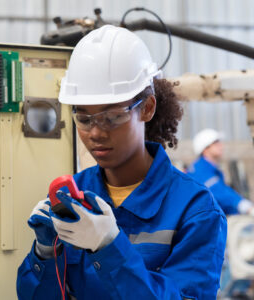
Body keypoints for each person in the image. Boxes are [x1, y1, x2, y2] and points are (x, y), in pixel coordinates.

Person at [17, 25, 226, 299]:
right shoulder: (73, 195)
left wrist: (109, 247)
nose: (95, 133)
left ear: (147, 108)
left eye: (112, 116)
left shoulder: (195, 209)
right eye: (84, 118)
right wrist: (45, 254)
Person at [187, 128, 253, 216]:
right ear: (205, 149)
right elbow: (220, 192)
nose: (221, 145)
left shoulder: (212, 169)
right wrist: (243, 205)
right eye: (215, 143)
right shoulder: (200, 169)